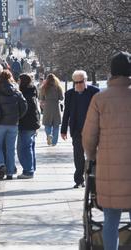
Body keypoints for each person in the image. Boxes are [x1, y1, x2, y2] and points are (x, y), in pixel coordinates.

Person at [82, 51, 131, 250]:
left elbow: (88, 137)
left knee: (111, 218)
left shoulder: (100, 99)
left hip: (110, 170)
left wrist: (93, 157)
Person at [60, 70, 99, 188]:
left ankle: (93, 178)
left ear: (85, 81)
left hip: (92, 130)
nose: (77, 85)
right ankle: (79, 179)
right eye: (75, 82)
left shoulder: (94, 92)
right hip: (77, 130)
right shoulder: (70, 94)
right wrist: (63, 129)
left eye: (80, 82)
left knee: (92, 155)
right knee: (78, 155)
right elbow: (66, 112)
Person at [0, 70, 27, 180]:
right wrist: (18, 116)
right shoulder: (16, 91)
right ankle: (10, 172)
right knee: (10, 149)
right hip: (13, 123)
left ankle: (1, 164)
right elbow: (24, 106)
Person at [17, 74, 40, 179]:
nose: (18, 82)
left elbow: (25, 110)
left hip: (26, 124)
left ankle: (28, 170)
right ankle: (31, 168)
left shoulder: (25, 94)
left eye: (19, 80)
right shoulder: (32, 92)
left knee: (24, 148)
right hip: (32, 123)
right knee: (29, 147)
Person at [40, 73, 64, 146]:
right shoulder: (58, 87)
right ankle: (54, 142)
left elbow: (41, 98)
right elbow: (61, 98)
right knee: (56, 125)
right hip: (56, 106)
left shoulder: (44, 87)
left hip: (47, 106)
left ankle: (48, 135)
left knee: (47, 124)